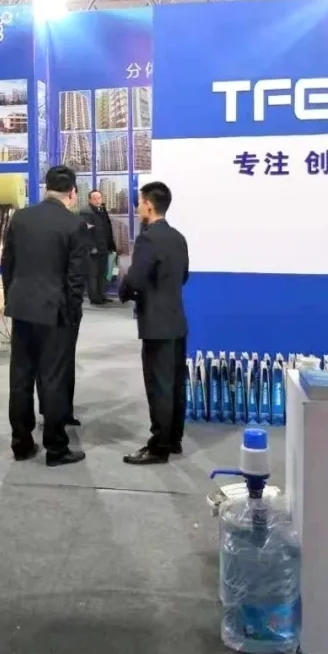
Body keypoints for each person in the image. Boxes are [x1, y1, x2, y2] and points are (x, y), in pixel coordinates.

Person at [2, 165, 88, 467]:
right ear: (72, 192)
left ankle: (21, 443)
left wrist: (12, 298)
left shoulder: (20, 218)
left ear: (45, 188)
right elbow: (76, 278)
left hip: (22, 308)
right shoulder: (74, 224)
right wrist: (73, 315)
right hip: (55, 312)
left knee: (20, 378)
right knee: (53, 379)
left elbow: (7, 264)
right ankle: (56, 447)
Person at [119, 181, 190, 465]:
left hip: (156, 323)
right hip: (176, 319)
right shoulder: (178, 237)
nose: (138, 208)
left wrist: (125, 291)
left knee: (158, 385)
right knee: (175, 383)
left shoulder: (148, 239)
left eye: (139, 203)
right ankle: (173, 439)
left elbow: (135, 278)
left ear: (149, 204)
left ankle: (158, 447)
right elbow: (184, 276)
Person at [78, 190, 116, 305]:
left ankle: (102, 295)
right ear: (89, 199)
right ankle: (94, 298)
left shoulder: (102, 210)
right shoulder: (86, 212)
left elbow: (107, 229)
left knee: (102, 273)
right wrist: (92, 247)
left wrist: (111, 246)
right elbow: (85, 232)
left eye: (99, 198)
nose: (97, 200)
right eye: (94, 198)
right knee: (93, 274)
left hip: (104, 248)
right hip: (93, 250)